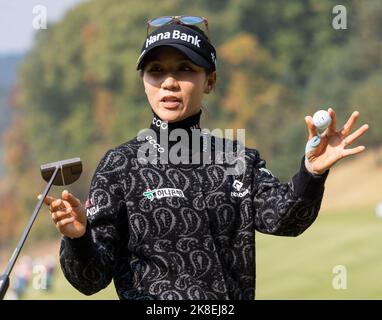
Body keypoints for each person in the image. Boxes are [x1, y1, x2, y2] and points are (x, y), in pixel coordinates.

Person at [40, 16, 369, 300]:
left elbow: (286, 220)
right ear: (144, 82)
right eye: (156, 71)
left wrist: (311, 172)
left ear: (209, 81)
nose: (169, 82)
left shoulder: (237, 158)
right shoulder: (120, 165)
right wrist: (79, 238)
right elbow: (90, 280)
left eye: (185, 69)